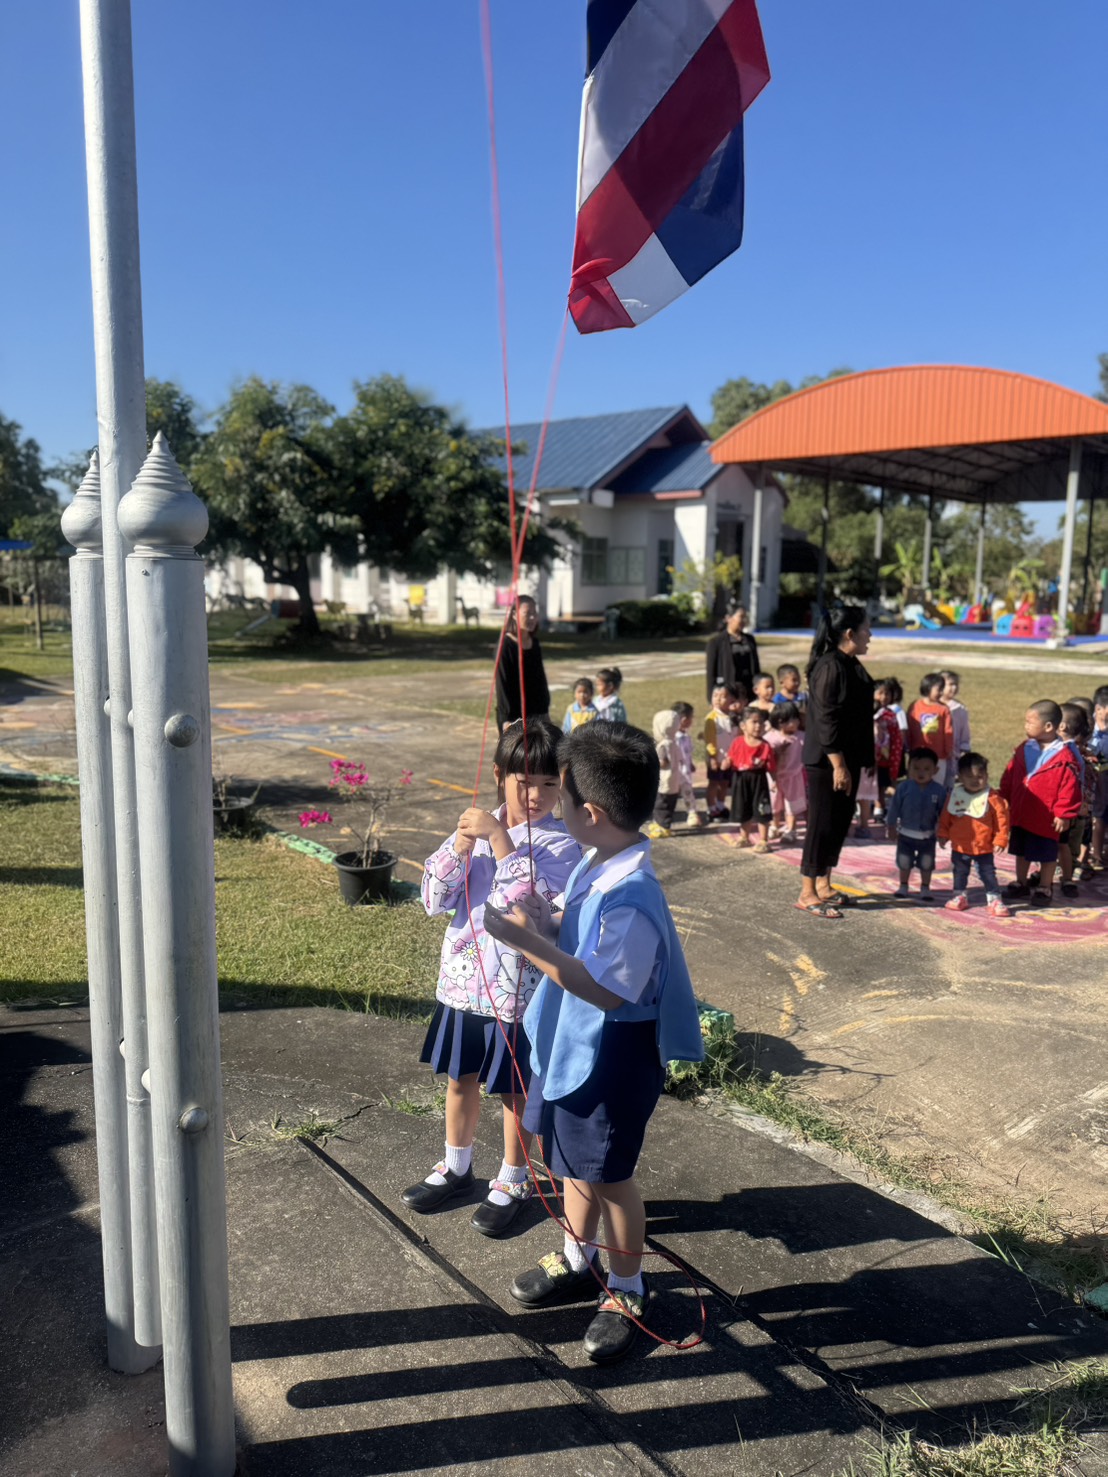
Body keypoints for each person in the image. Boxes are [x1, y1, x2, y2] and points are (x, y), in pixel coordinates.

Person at [483, 721, 704, 1365]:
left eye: (564, 796)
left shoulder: (632, 896)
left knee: (610, 1178)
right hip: (572, 1046)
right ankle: (579, 1256)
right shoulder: (599, 858)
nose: (553, 807)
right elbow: (580, 938)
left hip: (612, 1056)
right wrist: (549, 921)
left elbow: (607, 990)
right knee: (569, 1161)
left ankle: (628, 1287)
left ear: (591, 814)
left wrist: (528, 942)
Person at [404, 719, 582, 1234]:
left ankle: (513, 1178)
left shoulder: (561, 845)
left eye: (549, 783)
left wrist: (502, 841)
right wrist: (460, 845)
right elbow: (433, 900)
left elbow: (526, 908)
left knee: (514, 1092)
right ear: (500, 776)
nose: (536, 795)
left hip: (518, 998)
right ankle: (456, 1166)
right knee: (459, 1080)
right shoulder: (476, 828)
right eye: (524, 782)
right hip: (463, 986)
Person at [796, 605, 874, 919]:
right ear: (850, 633)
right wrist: (839, 764)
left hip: (847, 758)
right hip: (828, 761)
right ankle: (807, 892)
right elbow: (826, 719)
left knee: (839, 822)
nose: (871, 635)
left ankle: (824, 884)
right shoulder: (829, 665)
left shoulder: (849, 663)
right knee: (821, 824)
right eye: (867, 629)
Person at [1000, 700, 1082, 905]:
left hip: (1046, 817)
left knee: (1047, 854)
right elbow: (1010, 775)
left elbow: (1069, 787)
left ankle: (1045, 887)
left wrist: (1063, 813)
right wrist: (1004, 797)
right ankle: (1021, 882)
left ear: (1048, 726)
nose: (1025, 725)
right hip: (1022, 812)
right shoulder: (1023, 749)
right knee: (1020, 851)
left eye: (1030, 722)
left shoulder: (1064, 756)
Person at [937, 752, 1010, 916]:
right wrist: (943, 833)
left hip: (983, 846)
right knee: (959, 872)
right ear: (960, 777)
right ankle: (959, 895)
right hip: (960, 846)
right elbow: (946, 816)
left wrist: (1001, 839)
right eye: (969, 777)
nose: (975, 780)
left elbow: (1002, 819)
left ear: (987, 776)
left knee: (987, 873)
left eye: (980, 777)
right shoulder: (954, 796)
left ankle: (994, 899)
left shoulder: (992, 798)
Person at [885, 747, 946, 900]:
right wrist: (891, 826)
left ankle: (925, 888)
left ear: (935, 770)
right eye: (916, 768)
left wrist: (943, 832)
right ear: (909, 768)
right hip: (905, 835)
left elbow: (944, 814)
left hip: (928, 837)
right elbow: (894, 808)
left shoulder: (939, 791)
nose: (921, 772)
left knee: (927, 864)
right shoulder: (903, 788)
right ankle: (903, 886)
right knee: (904, 862)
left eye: (926, 769)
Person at [495, 594, 550, 732]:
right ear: (514, 614)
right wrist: (506, 719)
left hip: (537, 713)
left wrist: (545, 710)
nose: (532, 618)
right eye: (527, 613)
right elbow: (502, 684)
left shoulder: (534, 643)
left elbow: (540, 680)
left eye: (534, 613)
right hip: (514, 716)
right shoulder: (505, 645)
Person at [1056, 702, 1093, 899]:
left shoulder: (1065, 750)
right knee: (1063, 845)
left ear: (1061, 726)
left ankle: (1067, 878)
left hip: (1067, 808)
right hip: (1072, 807)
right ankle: (1062, 875)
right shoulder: (1072, 748)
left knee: (1064, 845)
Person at [727, 706, 776, 852]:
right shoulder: (737, 742)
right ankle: (744, 837)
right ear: (743, 726)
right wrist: (725, 763)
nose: (758, 725)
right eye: (754, 722)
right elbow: (730, 758)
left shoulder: (765, 745)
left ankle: (763, 840)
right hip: (740, 780)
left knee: (762, 809)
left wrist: (775, 781)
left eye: (761, 722)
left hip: (759, 780)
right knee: (743, 808)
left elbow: (771, 766)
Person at [705, 600, 760, 705]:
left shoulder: (750, 640)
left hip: (748, 691)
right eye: (741, 617)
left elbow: (756, 668)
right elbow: (711, 673)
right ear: (728, 618)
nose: (744, 620)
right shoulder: (716, 642)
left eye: (745, 617)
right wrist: (711, 698)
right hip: (728, 691)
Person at [766, 701, 805, 844]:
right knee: (774, 803)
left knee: (792, 804)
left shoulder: (801, 737)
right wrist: (777, 751)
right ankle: (774, 826)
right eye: (792, 719)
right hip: (773, 777)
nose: (797, 721)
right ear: (781, 722)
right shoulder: (770, 738)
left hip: (793, 776)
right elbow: (766, 755)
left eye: (796, 718)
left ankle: (791, 829)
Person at [907, 674, 954, 786]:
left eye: (942, 689)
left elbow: (948, 731)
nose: (941, 693)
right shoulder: (915, 706)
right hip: (918, 754)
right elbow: (909, 727)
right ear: (928, 687)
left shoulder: (943, 709)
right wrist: (909, 747)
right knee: (914, 784)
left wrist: (948, 750)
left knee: (936, 784)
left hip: (938, 755)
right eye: (938, 689)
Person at [702, 683, 739, 822]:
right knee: (713, 783)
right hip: (716, 758)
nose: (718, 699)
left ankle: (721, 805)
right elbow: (709, 739)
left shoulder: (733, 717)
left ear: (731, 699)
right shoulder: (711, 718)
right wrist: (712, 757)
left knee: (724, 783)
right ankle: (711, 809)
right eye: (715, 695)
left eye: (723, 696)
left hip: (729, 758)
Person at [644, 709, 680, 838]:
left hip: (665, 781)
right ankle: (661, 824)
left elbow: (663, 763)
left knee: (661, 805)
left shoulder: (663, 746)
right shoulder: (674, 742)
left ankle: (663, 827)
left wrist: (652, 762)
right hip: (674, 781)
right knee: (669, 804)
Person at [872, 680, 904, 821]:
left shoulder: (892, 714)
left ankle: (881, 809)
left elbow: (897, 736)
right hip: (870, 757)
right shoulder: (869, 712)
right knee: (872, 783)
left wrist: (894, 756)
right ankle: (873, 808)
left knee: (883, 784)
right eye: (880, 693)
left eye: (887, 693)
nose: (884, 697)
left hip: (885, 757)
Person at [671, 700, 704, 828]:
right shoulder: (674, 738)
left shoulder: (686, 736)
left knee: (688, 793)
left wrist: (690, 763)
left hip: (685, 772)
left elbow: (687, 753)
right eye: (691, 717)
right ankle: (667, 815)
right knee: (671, 795)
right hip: (676, 772)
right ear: (685, 719)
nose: (692, 720)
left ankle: (692, 814)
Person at [1089, 686, 1108, 871]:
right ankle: (1095, 855)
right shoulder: (1088, 727)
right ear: (1099, 709)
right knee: (1096, 815)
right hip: (1092, 779)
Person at [940, 670, 971, 761]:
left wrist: (964, 749)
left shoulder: (960, 708)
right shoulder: (934, 706)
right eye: (951, 684)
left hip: (954, 755)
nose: (954, 687)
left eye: (956, 684)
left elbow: (964, 733)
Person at [884, 676, 909, 776]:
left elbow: (903, 729)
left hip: (895, 748)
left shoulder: (897, 710)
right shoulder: (882, 708)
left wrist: (901, 746)